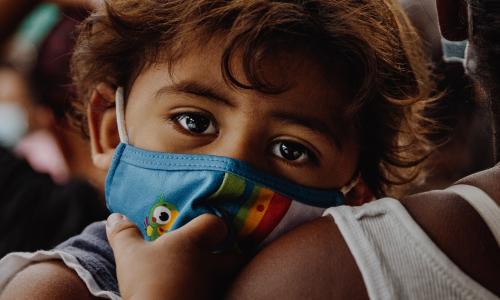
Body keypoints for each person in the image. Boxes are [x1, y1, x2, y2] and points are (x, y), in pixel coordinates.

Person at [0, 0, 438, 298]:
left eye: (290, 150)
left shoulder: (359, 285)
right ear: (111, 131)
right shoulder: (54, 289)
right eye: (195, 122)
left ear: (358, 195)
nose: (228, 170)